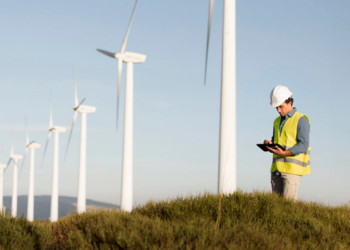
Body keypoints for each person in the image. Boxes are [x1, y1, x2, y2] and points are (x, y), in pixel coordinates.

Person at [264, 85, 311, 201]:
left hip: (291, 171)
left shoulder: (301, 120)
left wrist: (286, 153)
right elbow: (278, 141)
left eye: (281, 107)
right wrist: (270, 143)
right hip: (276, 170)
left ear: (289, 102)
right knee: (276, 208)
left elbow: (304, 144)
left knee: (287, 209)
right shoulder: (276, 121)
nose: (279, 110)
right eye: (276, 108)